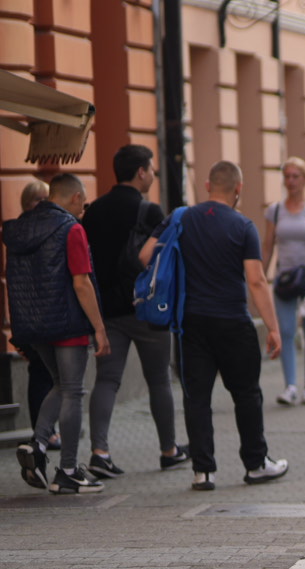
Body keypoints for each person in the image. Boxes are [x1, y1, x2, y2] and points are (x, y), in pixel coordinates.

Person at [143, 161, 286, 490]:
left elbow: (146, 256)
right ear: (239, 189)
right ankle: (255, 464)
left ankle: (203, 471)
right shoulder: (243, 226)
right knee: (247, 394)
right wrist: (273, 328)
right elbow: (257, 280)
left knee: (197, 398)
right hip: (233, 322)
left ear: (207, 185)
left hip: (191, 324)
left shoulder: (180, 218)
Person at [81, 144, 187, 476]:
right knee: (159, 379)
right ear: (141, 172)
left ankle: (99, 452)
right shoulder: (149, 210)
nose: (153, 174)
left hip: (106, 310)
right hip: (147, 309)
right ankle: (168, 450)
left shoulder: (93, 211)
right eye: (152, 169)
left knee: (107, 380)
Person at [5, 174, 111, 494]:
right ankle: (67, 469)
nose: (84, 208)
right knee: (74, 391)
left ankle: (37, 445)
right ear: (76, 198)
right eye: (85, 201)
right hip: (67, 323)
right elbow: (81, 282)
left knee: (60, 385)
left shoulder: (22, 228)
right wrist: (100, 328)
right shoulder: (71, 229)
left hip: (35, 324)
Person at [263, 157, 305, 407]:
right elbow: (268, 246)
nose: (290, 181)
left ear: (304, 179)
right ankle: (290, 386)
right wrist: (259, 276)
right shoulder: (275, 211)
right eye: (287, 176)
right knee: (287, 331)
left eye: (295, 176)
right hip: (284, 280)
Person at [13, 180, 57, 453]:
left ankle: (45, 430)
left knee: (45, 374)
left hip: (31, 315)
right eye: (37, 199)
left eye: (46, 198)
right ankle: (45, 432)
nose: (42, 204)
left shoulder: (18, 232)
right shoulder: (43, 231)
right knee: (45, 374)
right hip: (39, 314)